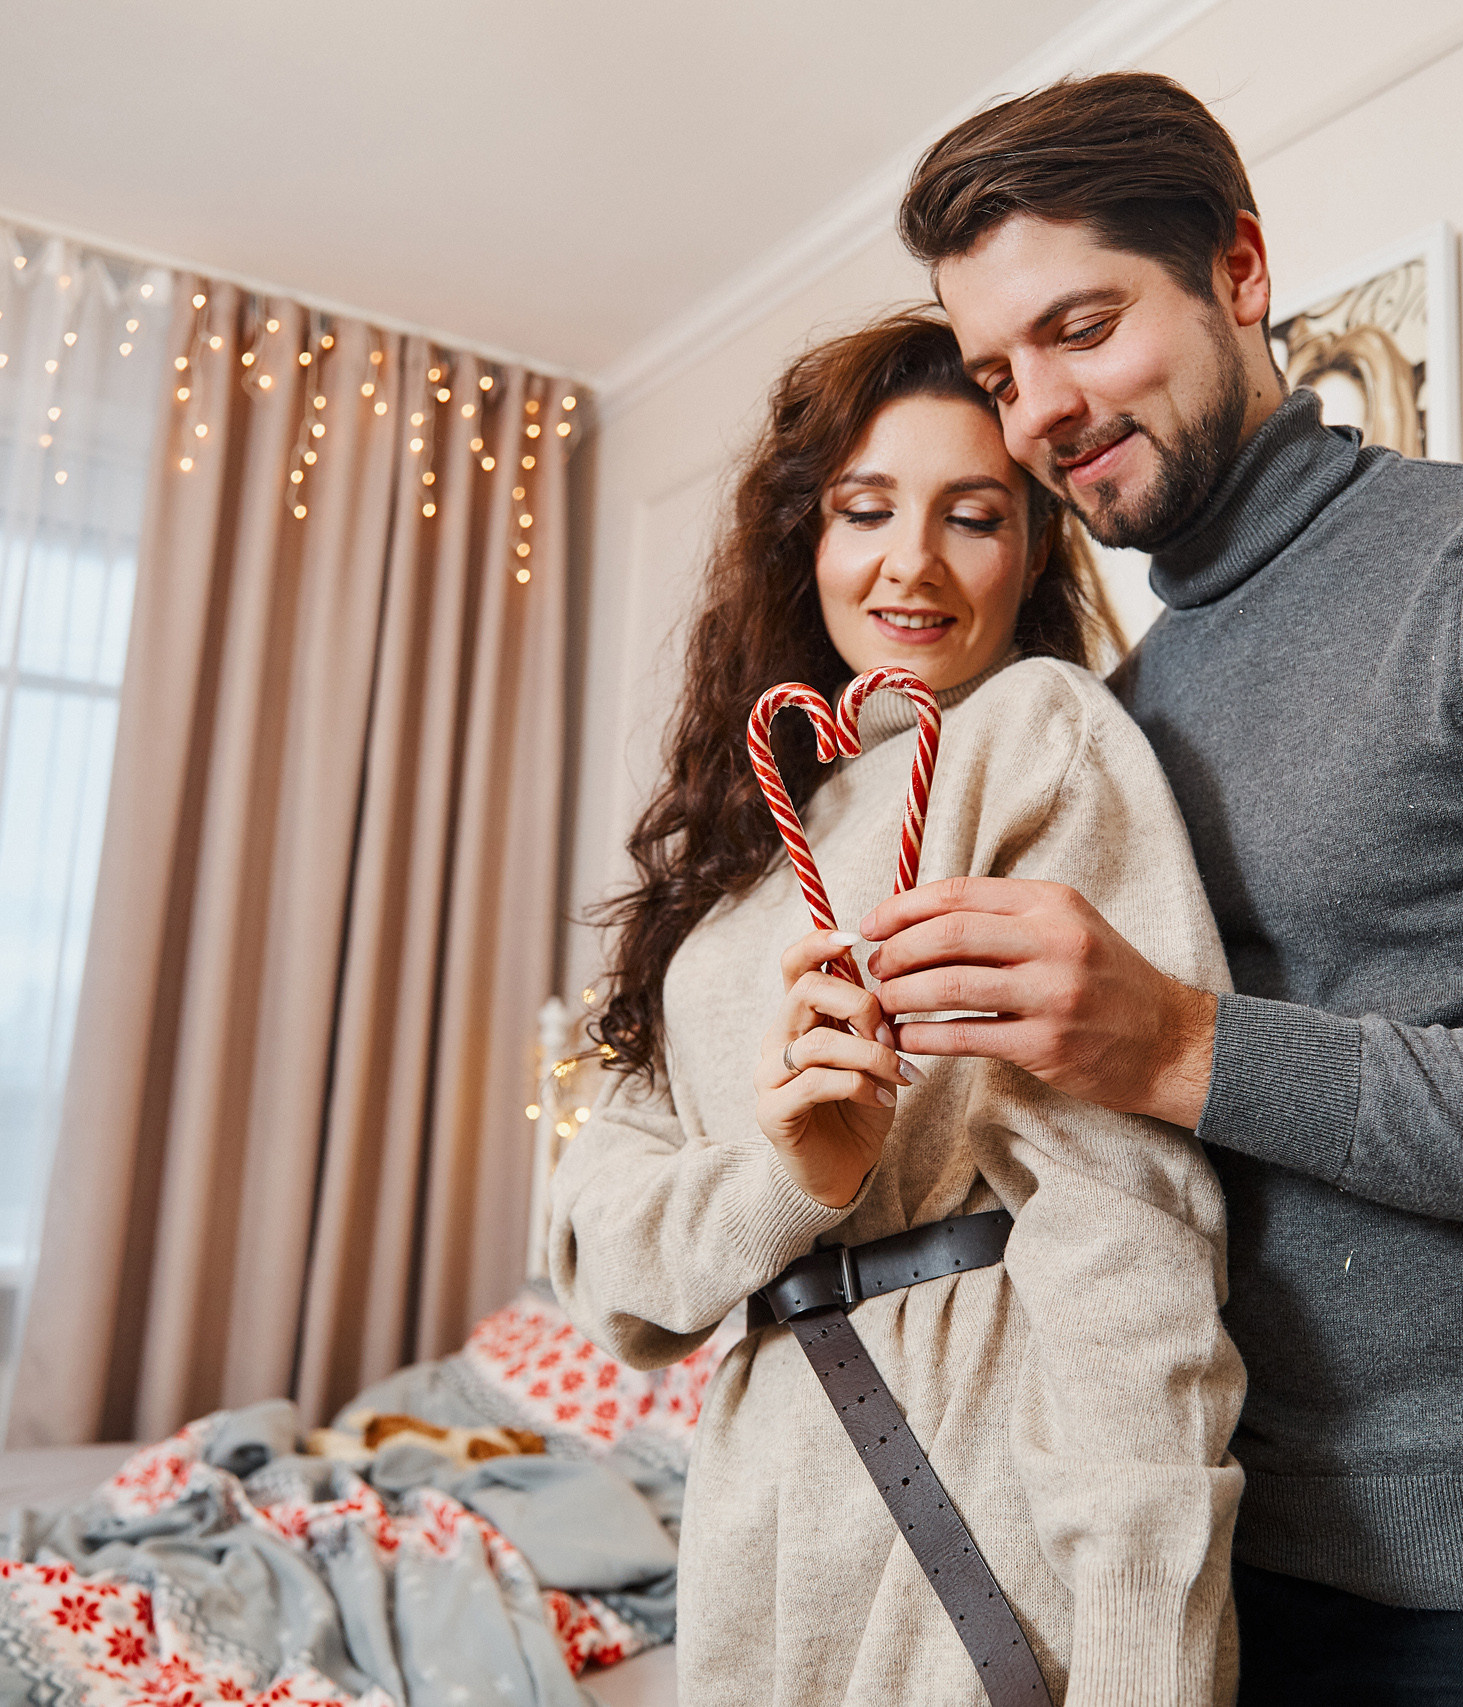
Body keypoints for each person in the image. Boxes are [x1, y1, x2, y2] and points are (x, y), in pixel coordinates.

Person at [858, 72, 1463, 1706]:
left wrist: (1180, 1044)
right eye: (1002, 374)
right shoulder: (1105, 721)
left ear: (1239, 270)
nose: (1041, 415)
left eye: (1083, 328)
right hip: (1187, 1574)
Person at [549, 311, 1245, 1706]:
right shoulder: (732, 848)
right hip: (756, 1529)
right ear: (805, 538)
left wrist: (1141, 1663)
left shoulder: (1036, 738)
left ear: (1034, 548)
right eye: (865, 510)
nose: (910, 562)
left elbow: (1128, 1238)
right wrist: (787, 1180)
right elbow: (607, 1263)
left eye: (972, 516)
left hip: (976, 1507)